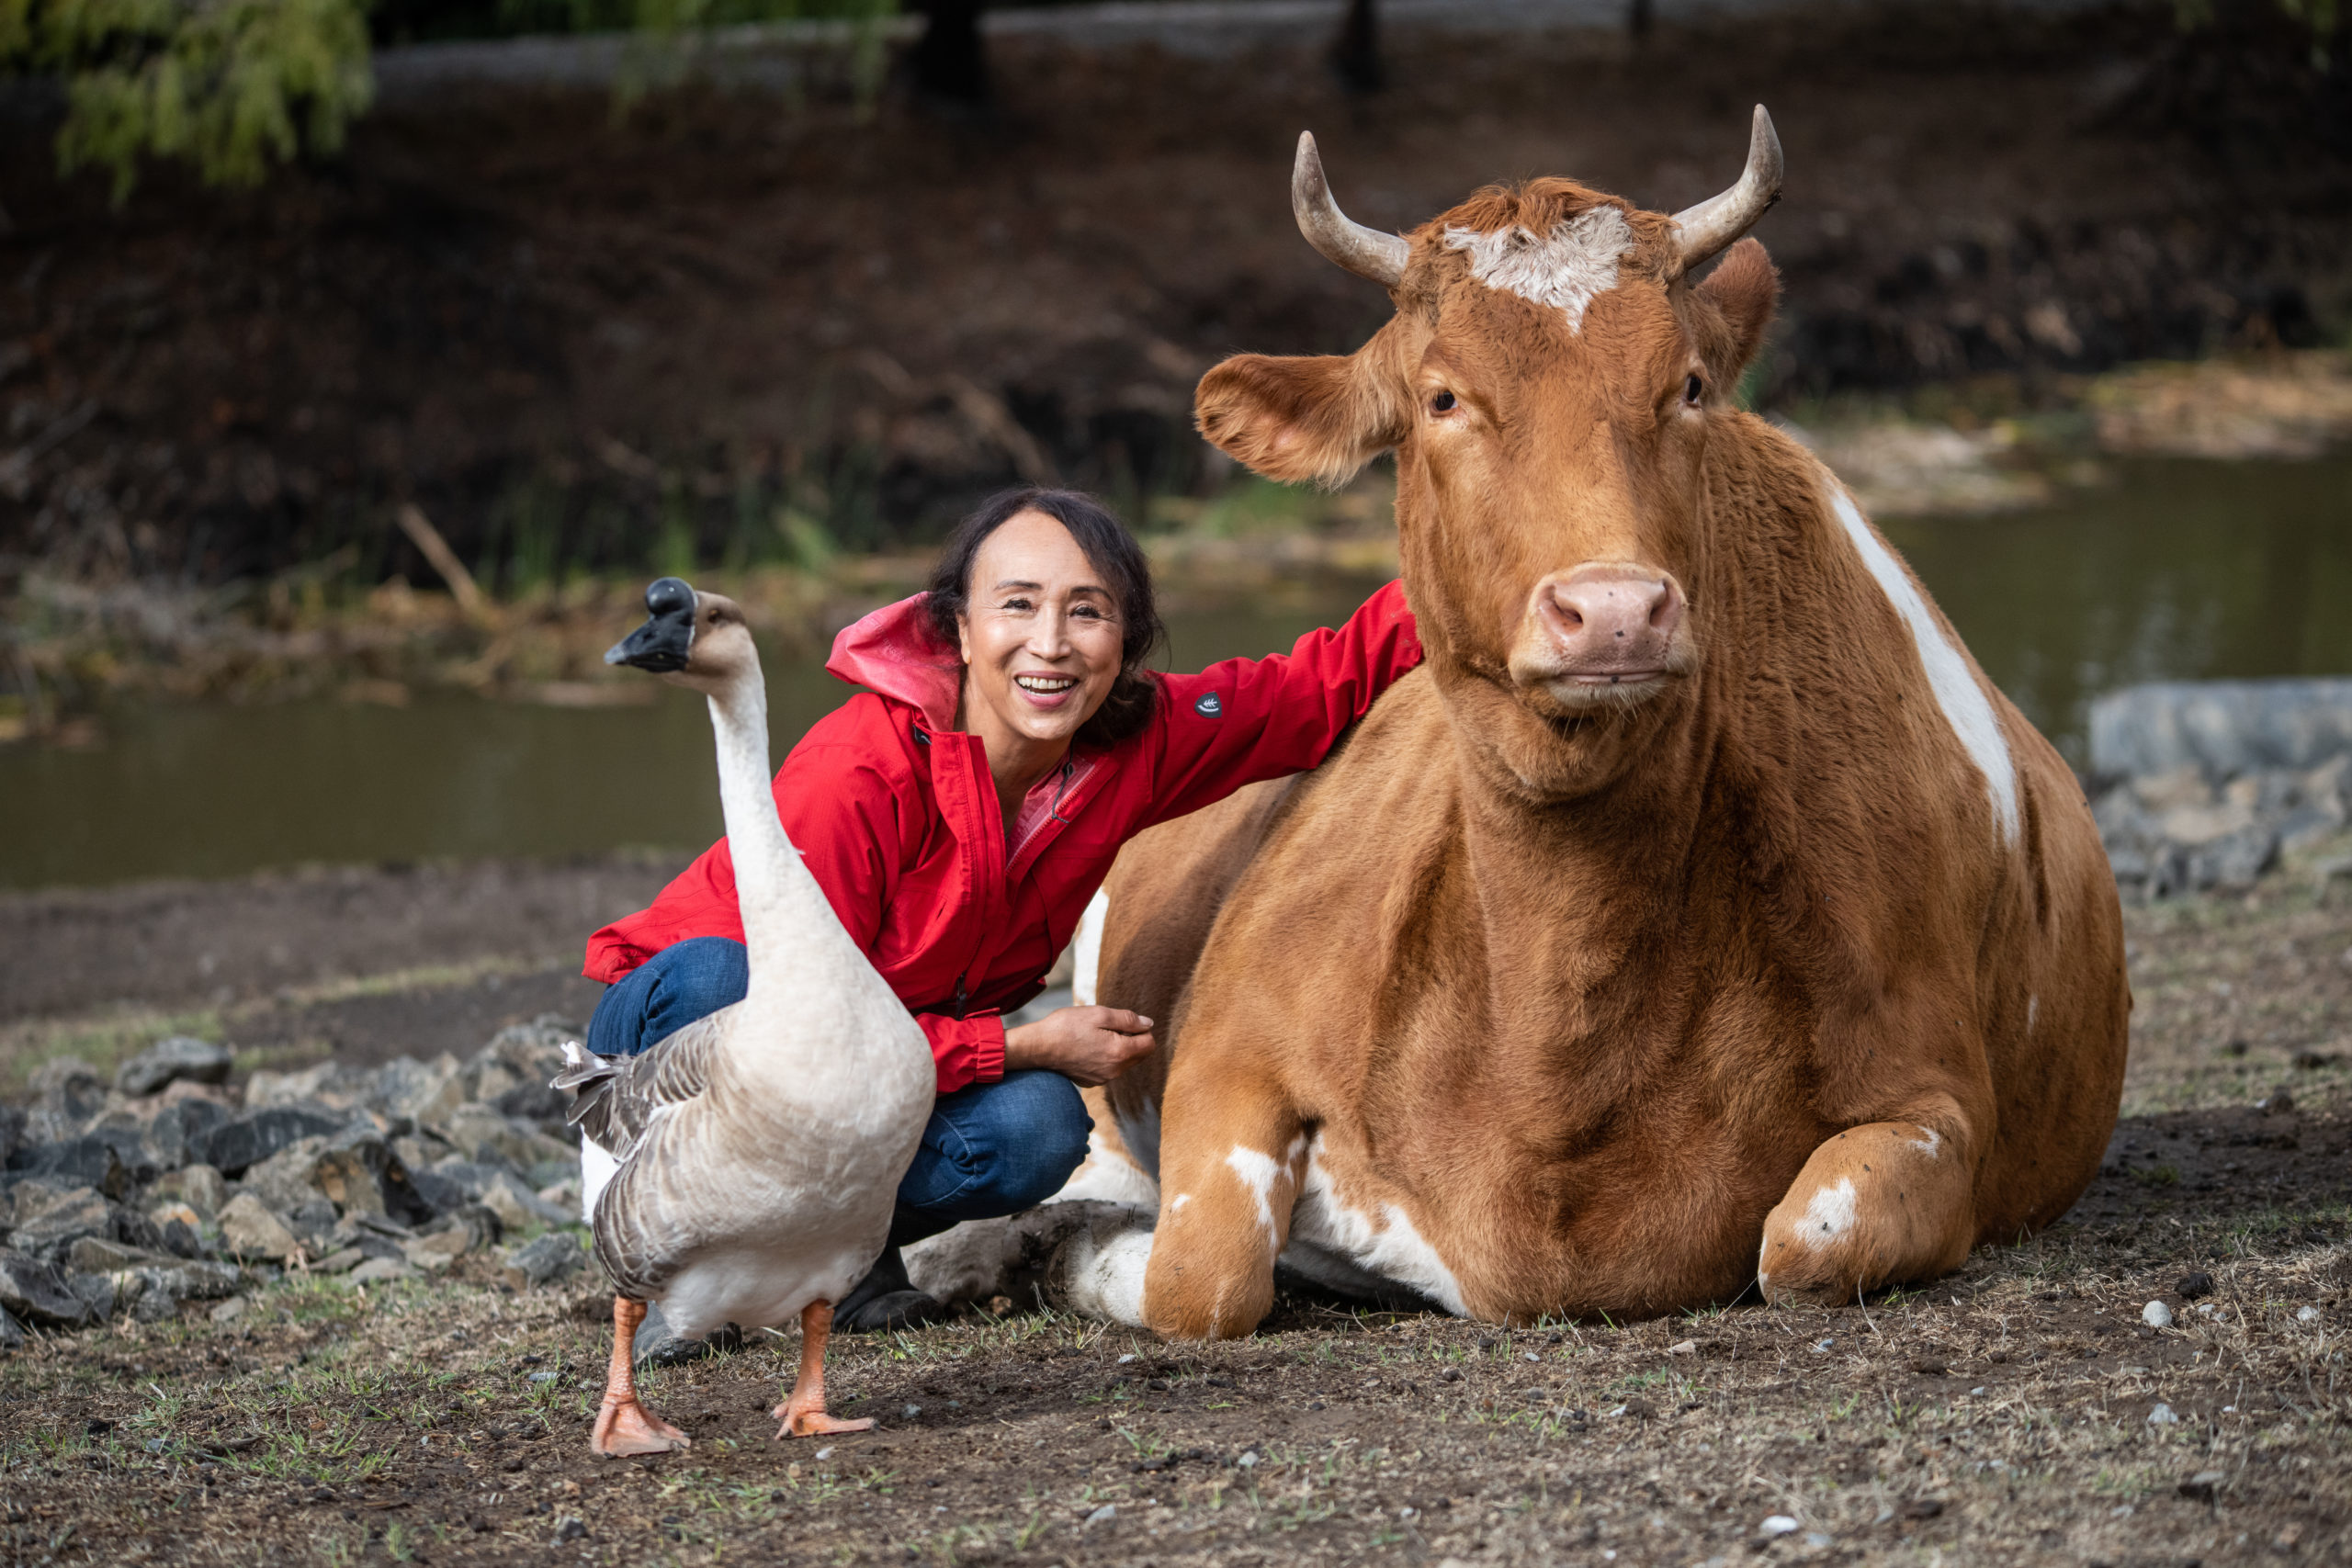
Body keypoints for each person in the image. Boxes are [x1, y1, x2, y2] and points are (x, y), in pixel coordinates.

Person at [582, 486, 1422, 1329]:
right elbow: (801, 1030)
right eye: (1017, 605)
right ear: (958, 627)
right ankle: (674, 1258)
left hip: (872, 1077)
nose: (1050, 644)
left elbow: (1313, 687)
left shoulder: (1131, 745)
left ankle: (828, 1259)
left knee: (1039, 1128)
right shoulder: (862, 769)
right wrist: (1019, 1043)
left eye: (1087, 611)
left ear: (1124, 637)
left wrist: (1486, 567)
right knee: (717, 977)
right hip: (702, 1028)